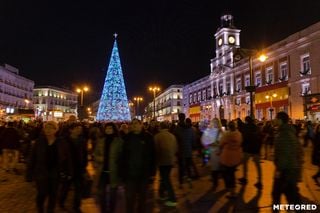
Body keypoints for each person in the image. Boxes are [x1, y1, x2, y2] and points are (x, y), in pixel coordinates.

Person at [26, 121, 67, 213]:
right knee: (42, 193)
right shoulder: (39, 142)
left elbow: (65, 158)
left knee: (53, 195)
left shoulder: (61, 142)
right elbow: (32, 158)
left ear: (55, 130)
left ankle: (50, 210)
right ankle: (40, 209)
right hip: (41, 172)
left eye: (50, 128)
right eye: (46, 128)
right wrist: (29, 173)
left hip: (55, 173)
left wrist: (66, 171)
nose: (48, 130)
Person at [118, 118, 155, 213]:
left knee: (142, 199)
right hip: (130, 174)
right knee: (130, 198)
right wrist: (122, 173)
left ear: (141, 125)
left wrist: (152, 173)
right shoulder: (127, 138)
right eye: (133, 124)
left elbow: (153, 156)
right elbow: (123, 156)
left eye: (136, 123)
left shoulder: (148, 137)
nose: (134, 125)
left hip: (144, 174)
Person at [272, 112, 303, 209]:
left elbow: (285, 154)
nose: (274, 120)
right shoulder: (287, 132)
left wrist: (279, 170)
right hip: (291, 168)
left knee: (279, 194)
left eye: (276, 118)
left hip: (286, 170)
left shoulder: (284, 134)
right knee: (290, 195)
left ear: (280, 120)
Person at [94, 122, 123, 213]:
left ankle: (111, 210)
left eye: (110, 128)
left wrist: (118, 165)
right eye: (107, 129)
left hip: (114, 171)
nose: (108, 130)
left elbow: (122, 156)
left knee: (113, 195)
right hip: (102, 172)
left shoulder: (119, 142)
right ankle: (103, 210)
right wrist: (100, 158)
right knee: (101, 194)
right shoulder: (101, 141)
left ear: (114, 129)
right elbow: (95, 154)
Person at [59, 123, 88, 213]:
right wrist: (62, 169)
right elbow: (61, 155)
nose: (79, 130)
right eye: (76, 128)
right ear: (71, 130)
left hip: (79, 168)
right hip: (68, 168)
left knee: (78, 189)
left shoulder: (82, 140)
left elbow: (85, 154)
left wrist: (84, 165)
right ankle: (61, 202)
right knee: (65, 187)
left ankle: (77, 206)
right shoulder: (64, 140)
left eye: (80, 128)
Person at [154, 121, 178, 207]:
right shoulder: (172, 136)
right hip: (170, 160)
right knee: (164, 177)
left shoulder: (157, 137)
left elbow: (155, 150)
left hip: (162, 161)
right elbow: (175, 148)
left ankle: (172, 198)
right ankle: (161, 194)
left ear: (160, 127)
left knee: (166, 179)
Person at [238, 116, 263, 189]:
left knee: (245, 163)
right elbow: (260, 137)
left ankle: (245, 178)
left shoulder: (246, 127)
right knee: (258, 165)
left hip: (248, 149)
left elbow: (244, 137)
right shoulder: (256, 127)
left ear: (246, 121)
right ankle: (259, 181)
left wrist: (242, 146)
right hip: (256, 149)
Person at [219, 121, 243, 198]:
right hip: (236, 156)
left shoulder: (227, 134)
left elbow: (221, 144)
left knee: (227, 174)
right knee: (231, 173)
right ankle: (231, 189)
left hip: (227, 157)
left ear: (228, 127)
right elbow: (240, 143)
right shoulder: (239, 134)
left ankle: (231, 191)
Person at [173, 113, 195, 188]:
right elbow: (193, 139)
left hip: (180, 150)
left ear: (179, 118)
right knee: (188, 166)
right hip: (188, 149)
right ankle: (189, 179)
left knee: (181, 167)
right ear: (184, 117)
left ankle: (181, 183)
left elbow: (175, 140)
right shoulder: (190, 128)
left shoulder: (177, 128)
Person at [201, 118, 223, 190]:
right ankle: (215, 182)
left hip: (216, 152)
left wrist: (209, 144)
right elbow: (204, 140)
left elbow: (222, 141)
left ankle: (215, 182)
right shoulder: (216, 131)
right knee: (215, 168)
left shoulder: (218, 131)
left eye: (215, 122)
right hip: (215, 152)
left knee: (215, 168)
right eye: (214, 122)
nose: (214, 124)